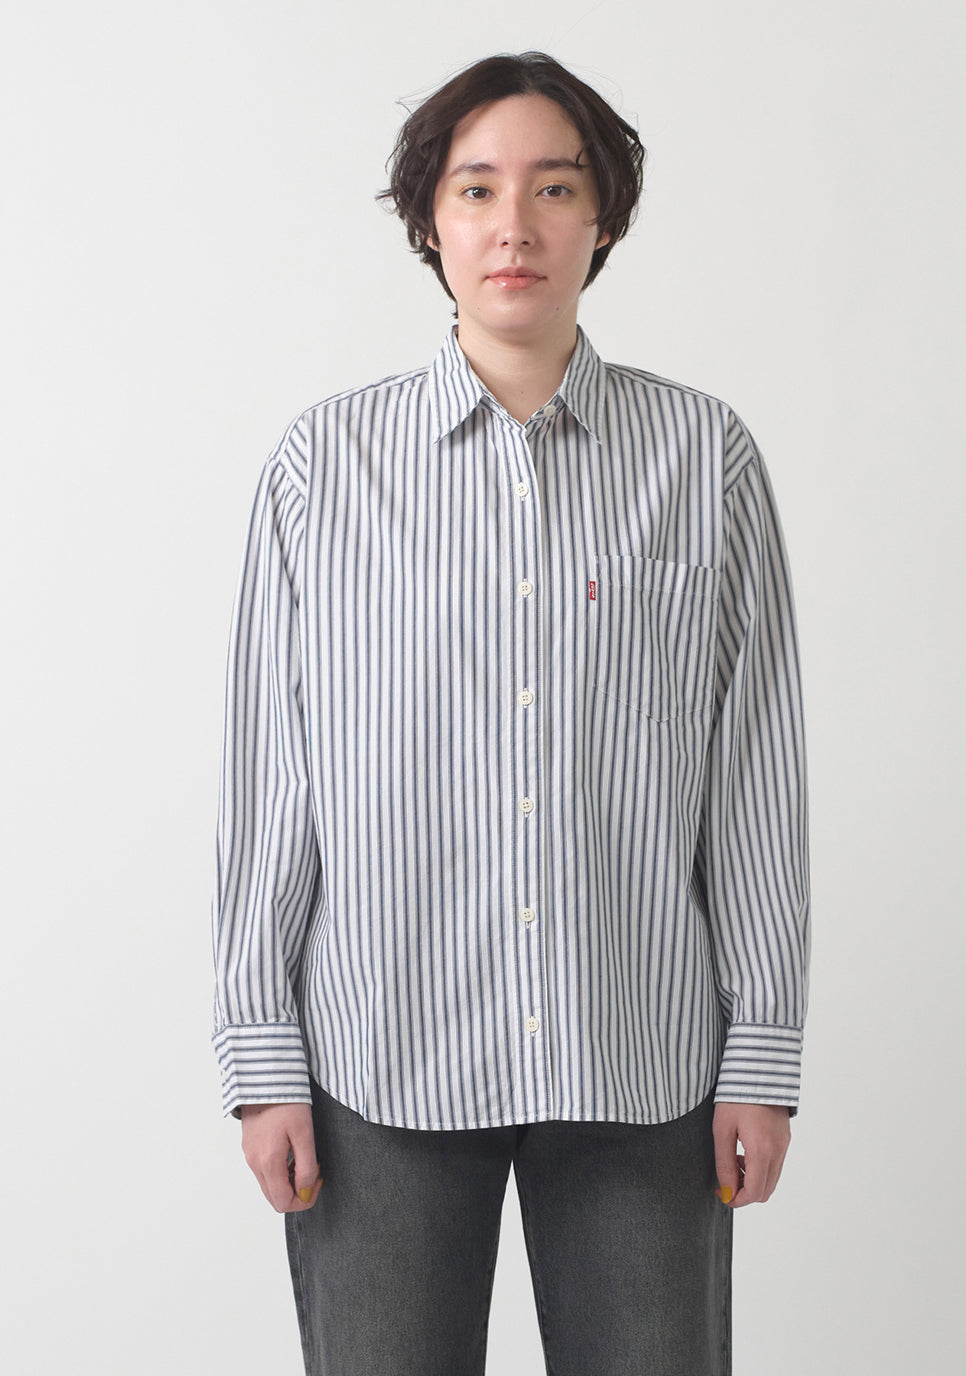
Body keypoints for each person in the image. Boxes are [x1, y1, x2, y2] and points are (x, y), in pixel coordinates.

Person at [211, 50, 810, 1376]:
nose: (515, 225)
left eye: (554, 186)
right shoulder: (324, 469)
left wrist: (762, 1051)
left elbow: (754, 772)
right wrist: (262, 1057)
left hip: (640, 1057)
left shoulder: (703, 461)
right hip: (381, 1058)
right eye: (477, 188)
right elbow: (273, 779)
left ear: (604, 217)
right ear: (431, 220)